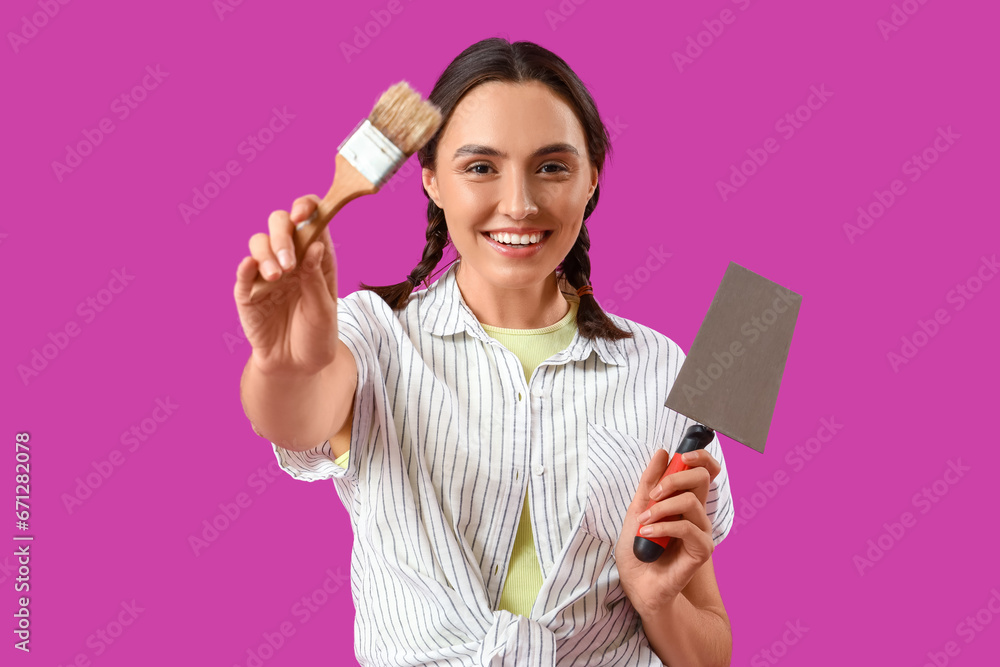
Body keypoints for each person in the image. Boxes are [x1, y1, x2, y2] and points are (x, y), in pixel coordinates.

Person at [235, 37, 734, 667]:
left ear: (592, 180)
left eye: (552, 166)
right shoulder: (375, 337)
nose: (520, 203)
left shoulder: (662, 369)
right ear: (432, 180)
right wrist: (289, 363)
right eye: (480, 167)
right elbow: (294, 415)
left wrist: (657, 601)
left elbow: (710, 651)